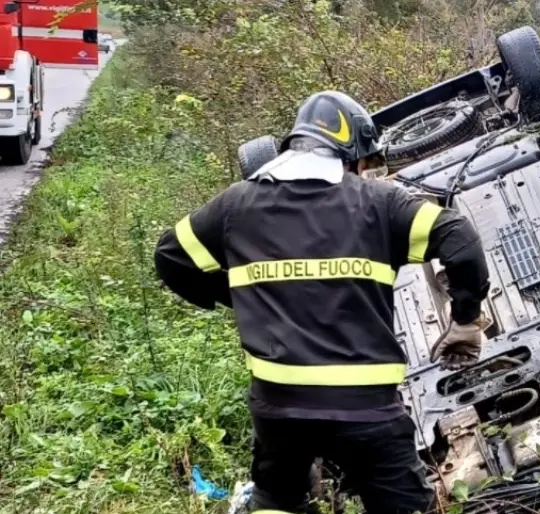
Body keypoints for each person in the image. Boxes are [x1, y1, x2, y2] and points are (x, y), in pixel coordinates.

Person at [153, 91, 491, 513]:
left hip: (278, 408)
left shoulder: (237, 205)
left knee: (276, 499)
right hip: (367, 412)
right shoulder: (379, 204)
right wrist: (465, 321)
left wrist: (239, 294)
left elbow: (169, 257)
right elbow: (460, 238)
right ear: (350, 155)